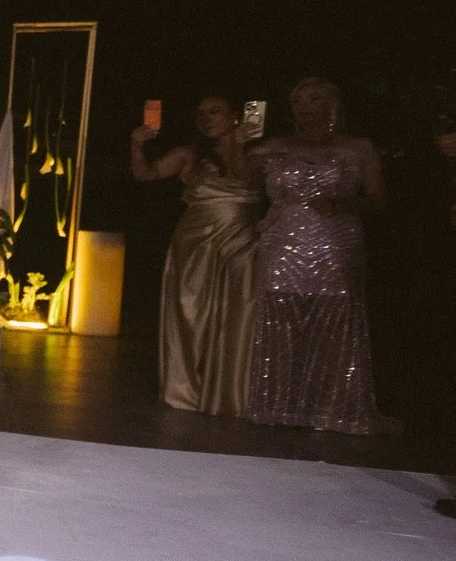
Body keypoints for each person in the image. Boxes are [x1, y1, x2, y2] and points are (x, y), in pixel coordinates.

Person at [245, 77, 384, 434]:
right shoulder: (275, 145)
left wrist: (341, 203)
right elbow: (240, 181)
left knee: (335, 318)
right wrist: (241, 146)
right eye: (298, 100)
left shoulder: (359, 147)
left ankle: (333, 410)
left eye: (313, 98)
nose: (304, 106)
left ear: (332, 104)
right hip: (282, 238)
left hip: (335, 238)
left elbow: (377, 200)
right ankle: (278, 405)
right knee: (279, 317)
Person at [132, 95, 260, 416]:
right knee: (189, 314)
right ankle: (185, 391)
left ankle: (228, 396)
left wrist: (237, 144)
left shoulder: (259, 151)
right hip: (194, 242)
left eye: (215, 111)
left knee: (236, 317)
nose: (206, 118)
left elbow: (243, 177)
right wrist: (136, 144)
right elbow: (144, 174)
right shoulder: (190, 155)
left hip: (240, 241)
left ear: (234, 115)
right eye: (200, 113)